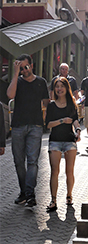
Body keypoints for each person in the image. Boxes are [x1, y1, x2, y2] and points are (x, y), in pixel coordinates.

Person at [7, 54, 49, 207]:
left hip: (35, 126)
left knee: (32, 161)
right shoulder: (17, 81)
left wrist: (46, 117)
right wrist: (15, 73)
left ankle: (30, 194)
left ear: (31, 66)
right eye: (21, 67)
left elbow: (47, 102)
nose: (24, 70)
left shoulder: (41, 82)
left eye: (26, 67)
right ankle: (23, 192)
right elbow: (10, 95)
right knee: (19, 161)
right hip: (18, 126)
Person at [45, 77, 81, 212]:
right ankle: (53, 200)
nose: (59, 89)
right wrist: (62, 120)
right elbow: (48, 124)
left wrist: (77, 130)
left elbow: (75, 120)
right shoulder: (51, 105)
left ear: (66, 88)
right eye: (57, 86)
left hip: (69, 141)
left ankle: (69, 196)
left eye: (62, 86)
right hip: (55, 141)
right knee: (54, 171)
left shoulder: (72, 104)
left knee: (69, 171)